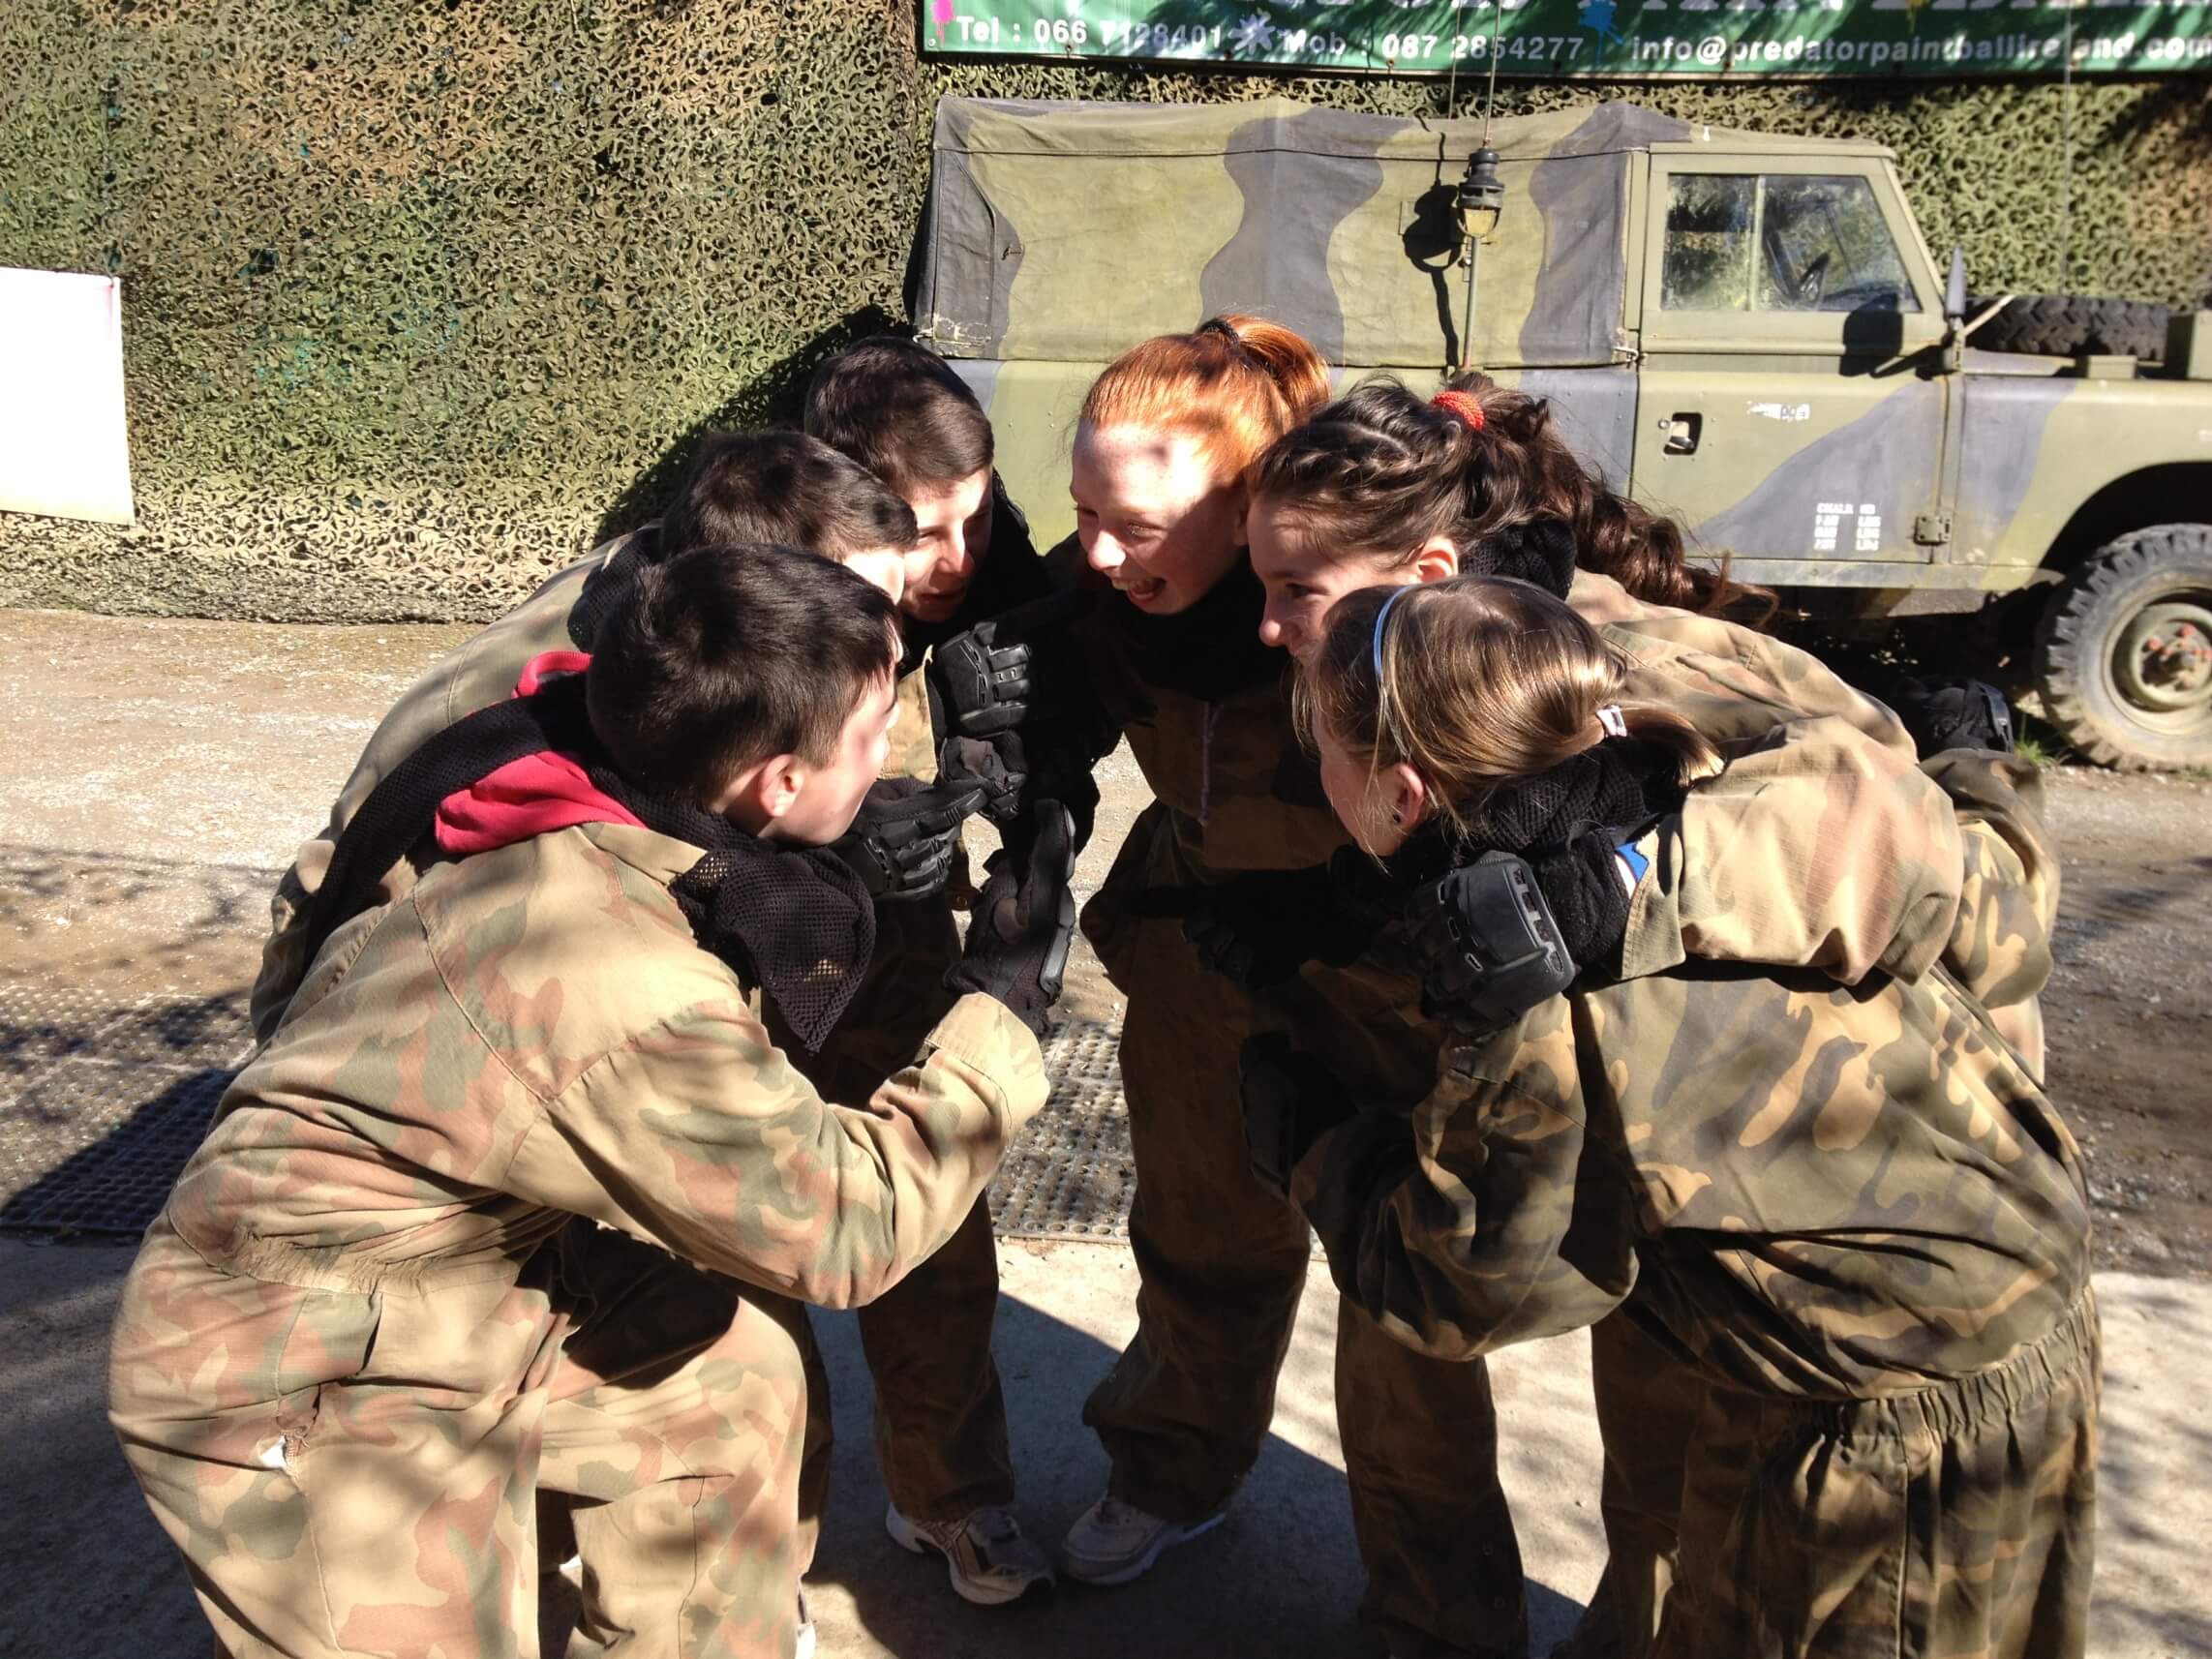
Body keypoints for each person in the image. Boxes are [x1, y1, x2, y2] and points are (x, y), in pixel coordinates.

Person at [109, 544, 1075, 1659]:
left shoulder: (580, 754)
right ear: (777, 781)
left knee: (731, 1384)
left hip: (478, 1272)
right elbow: (842, 1229)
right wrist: (999, 1007)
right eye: (877, 734)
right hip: (298, 1356)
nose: (893, 752)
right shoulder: (616, 976)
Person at [1233, 374, 2058, 1658]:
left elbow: (1473, 1285)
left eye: (1297, 588)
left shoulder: (1577, 931)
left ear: (1400, 784)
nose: (1271, 622)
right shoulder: (1531, 710)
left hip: (1913, 1372)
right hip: (1824, 1338)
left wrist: (1312, 1142)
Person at [788, 333, 1072, 1602]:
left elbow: (1071, 723)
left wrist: (1031, 775)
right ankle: (743, 1541)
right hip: (740, 945)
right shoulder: (741, 564)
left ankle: (950, 1495)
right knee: (735, 1246)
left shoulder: (993, 562)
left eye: (978, 516)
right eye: (927, 533)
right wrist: (830, 831)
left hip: (903, 943)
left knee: (933, 1217)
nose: (957, 561)